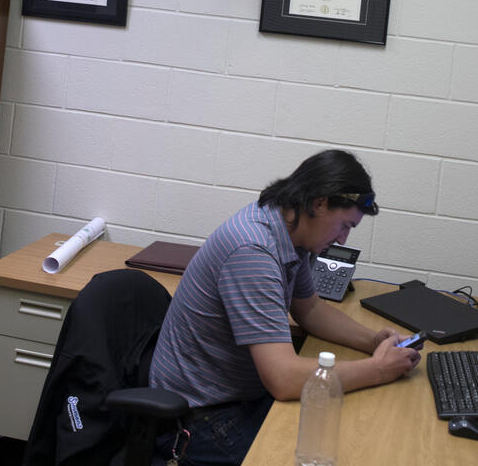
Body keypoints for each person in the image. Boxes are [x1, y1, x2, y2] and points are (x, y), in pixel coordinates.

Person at [149, 149, 421, 466]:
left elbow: (310, 310)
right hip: (200, 419)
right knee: (339, 448)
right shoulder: (253, 250)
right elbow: (283, 379)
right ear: (320, 203)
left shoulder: (290, 230)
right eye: (344, 225)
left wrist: (372, 341)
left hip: (239, 398)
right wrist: (377, 370)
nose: (344, 240)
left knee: (345, 430)